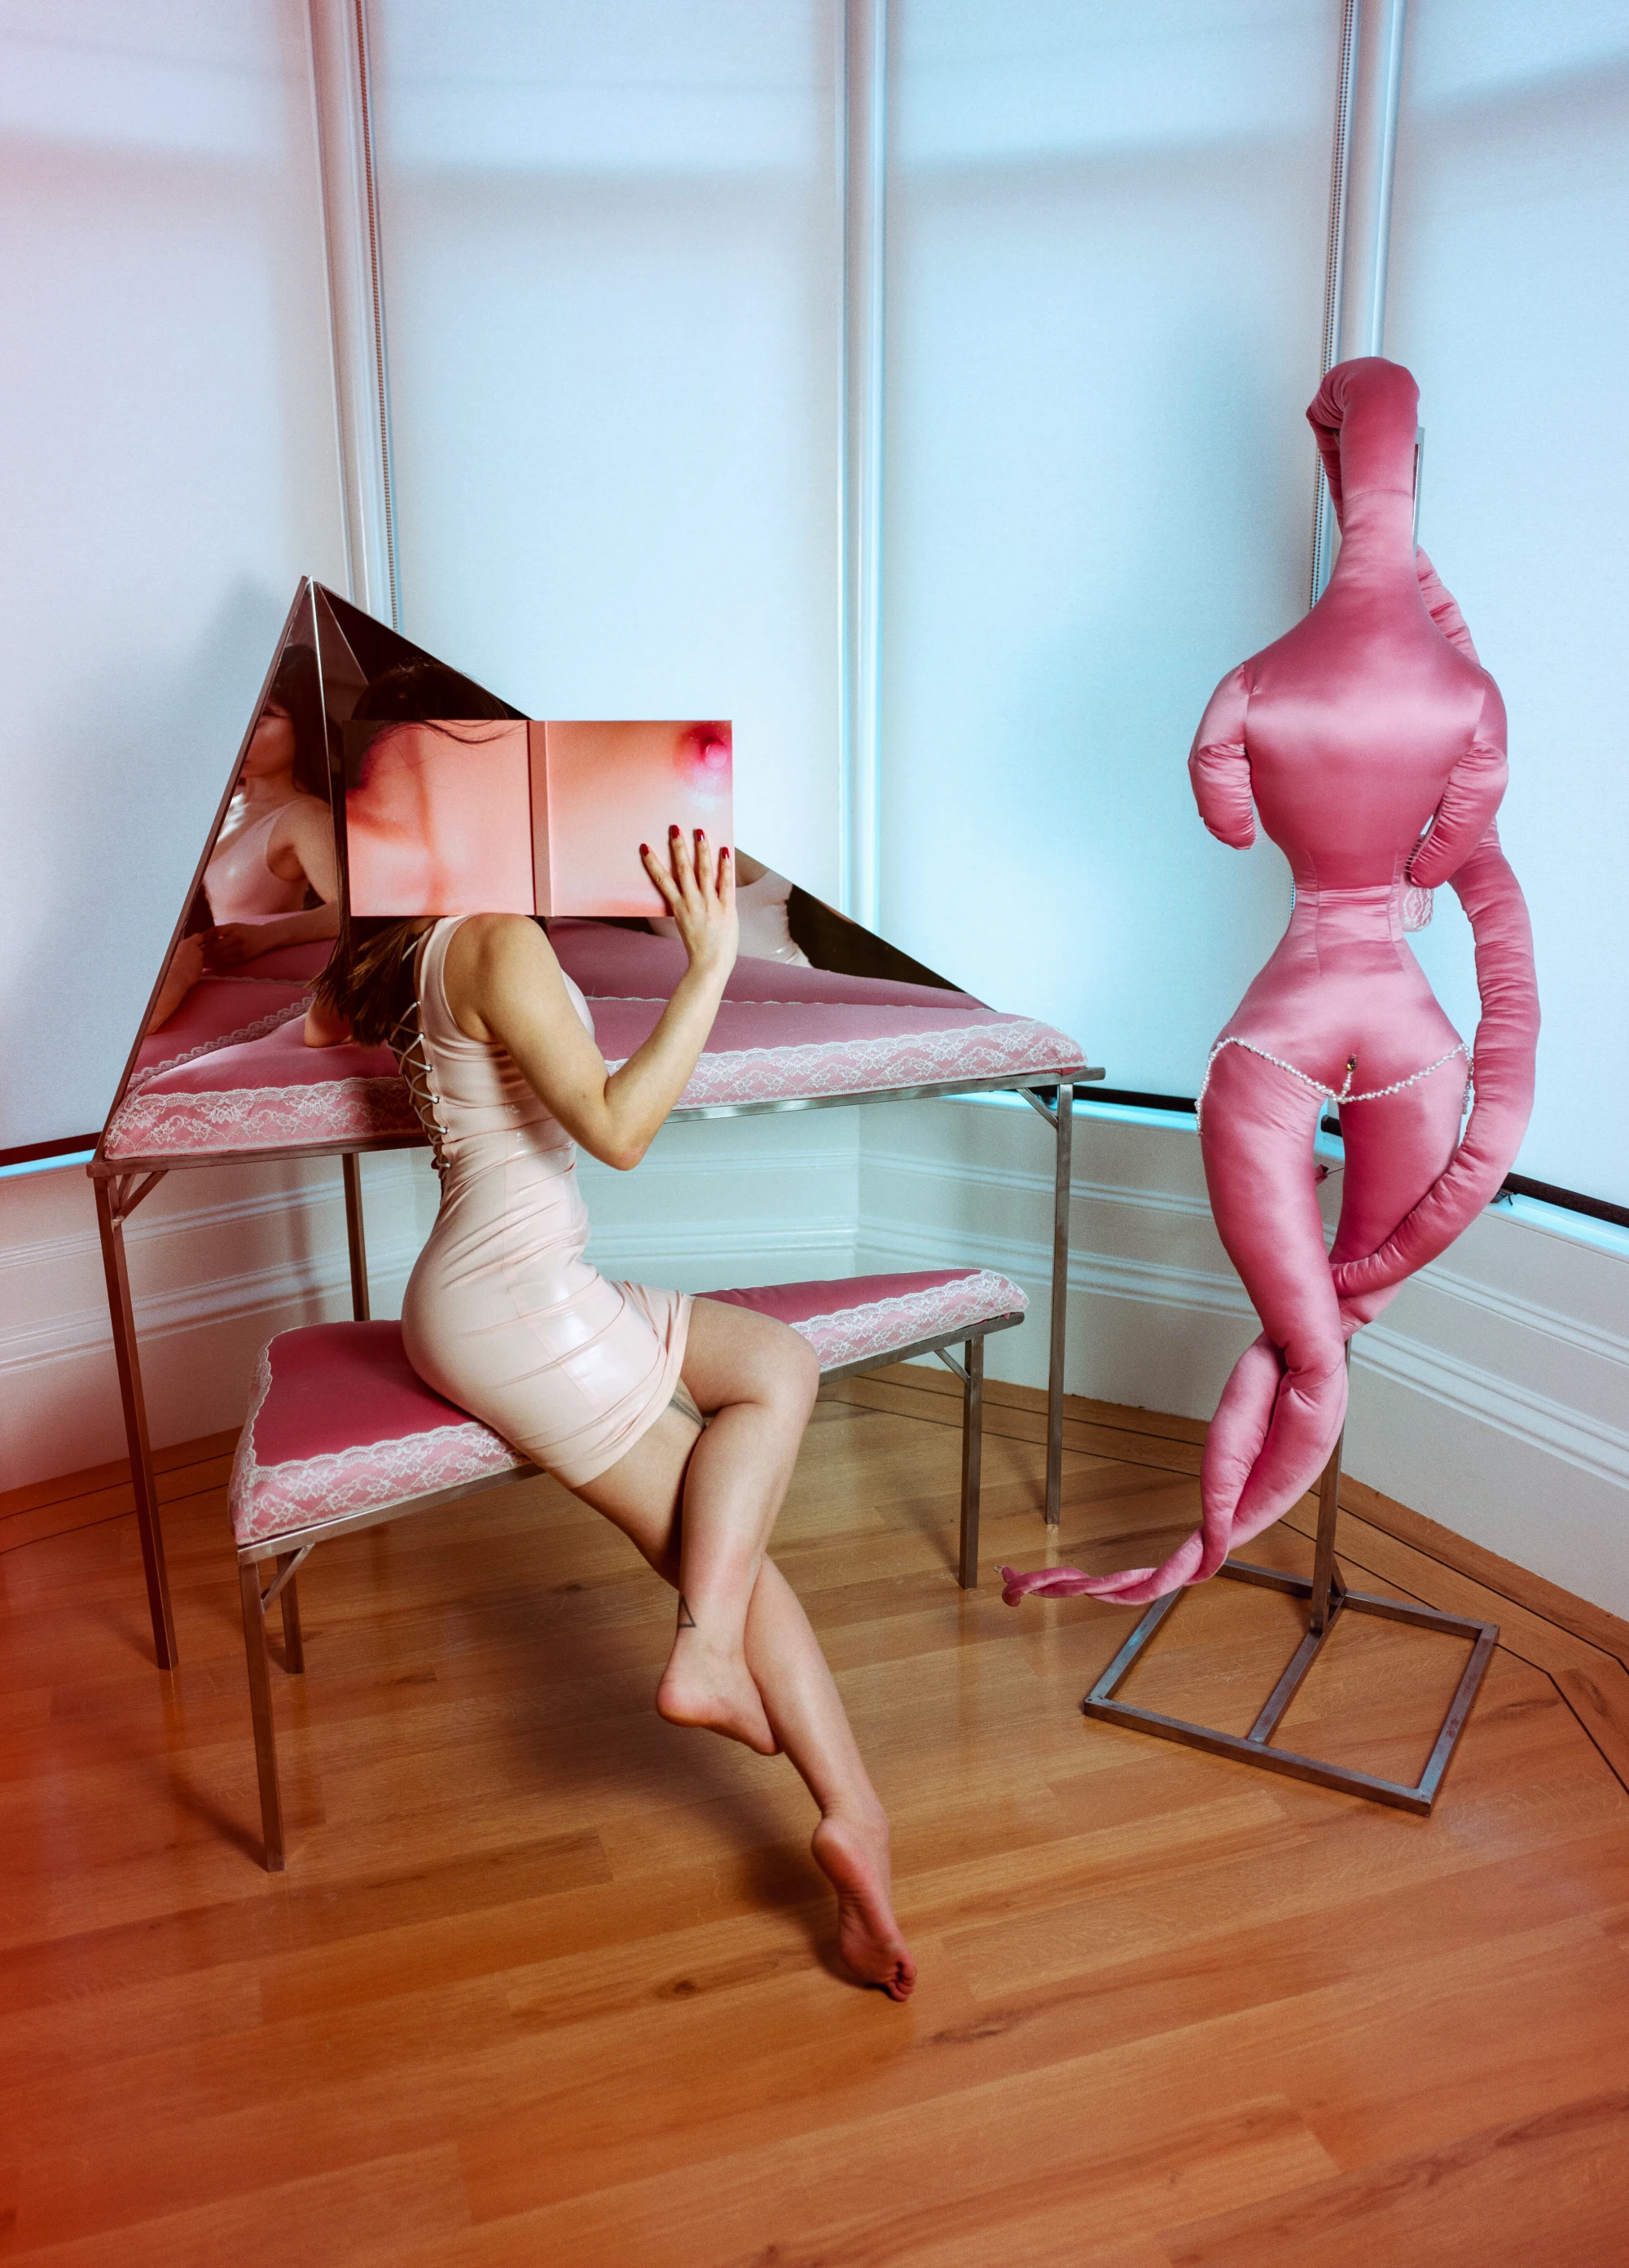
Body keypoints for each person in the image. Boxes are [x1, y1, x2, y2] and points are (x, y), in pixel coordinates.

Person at [307, 666, 915, 1999]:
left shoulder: (425, 941)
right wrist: (709, 963)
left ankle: (744, 1686)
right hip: (516, 1306)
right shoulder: (488, 939)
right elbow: (621, 1134)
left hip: (512, 1282)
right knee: (732, 1557)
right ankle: (800, 1756)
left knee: (776, 1365)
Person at [146, 645, 341, 1032]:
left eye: (265, 716)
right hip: (164, 993)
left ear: (304, 723)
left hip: (225, 1002)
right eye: (238, 715)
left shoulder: (305, 817)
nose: (243, 730)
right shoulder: (212, 806)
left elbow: (350, 911)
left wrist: (268, 935)